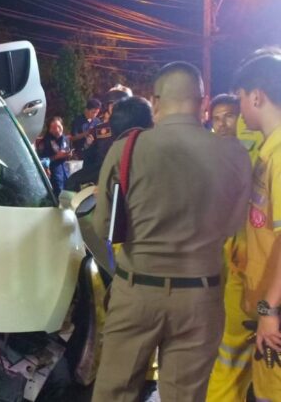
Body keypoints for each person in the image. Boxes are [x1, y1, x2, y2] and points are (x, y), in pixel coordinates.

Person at [91, 61, 251, 401]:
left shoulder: (127, 149)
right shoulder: (235, 155)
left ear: (156, 101)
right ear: (204, 103)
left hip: (137, 290)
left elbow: (104, 226)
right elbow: (233, 226)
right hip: (200, 295)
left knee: (114, 392)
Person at [206, 94, 265, 402]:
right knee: (231, 345)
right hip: (230, 262)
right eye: (216, 118)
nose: (223, 124)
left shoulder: (260, 149)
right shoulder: (207, 154)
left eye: (229, 115)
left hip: (254, 266)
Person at [230, 52, 281, 400]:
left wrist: (269, 311)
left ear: (257, 96)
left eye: (240, 99)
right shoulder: (267, 153)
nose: (240, 109)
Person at [64, 96, 153, 192]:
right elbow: (89, 154)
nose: (115, 106)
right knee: (73, 181)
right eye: (112, 104)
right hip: (102, 167)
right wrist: (88, 145)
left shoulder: (143, 128)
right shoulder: (99, 128)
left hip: (131, 168)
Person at [35, 116, 71, 197]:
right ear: (49, 129)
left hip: (65, 172)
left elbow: (66, 153)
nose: (57, 130)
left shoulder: (65, 139)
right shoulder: (44, 142)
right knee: (58, 195)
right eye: (54, 128)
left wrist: (68, 155)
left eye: (59, 126)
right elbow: (40, 161)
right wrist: (55, 157)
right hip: (53, 175)